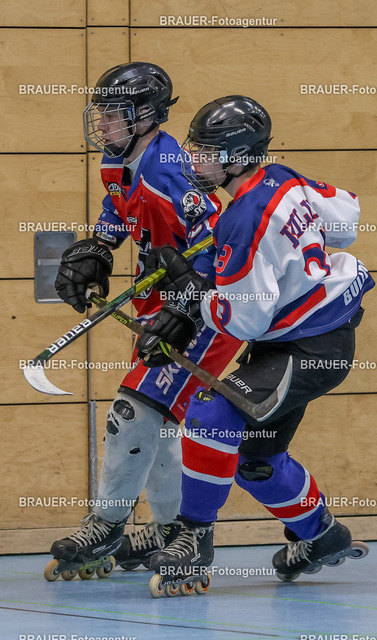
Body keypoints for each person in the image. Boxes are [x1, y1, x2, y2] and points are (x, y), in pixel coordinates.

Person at [136, 95, 375, 587]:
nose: (193, 158)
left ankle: (193, 537)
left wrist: (193, 295)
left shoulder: (244, 219)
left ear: (237, 157)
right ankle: (321, 535)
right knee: (256, 462)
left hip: (309, 346)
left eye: (205, 151)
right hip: (312, 335)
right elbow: (346, 218)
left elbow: (243, 320)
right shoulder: (280, 177)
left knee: (211, 414)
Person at [44, 64, 241, 581]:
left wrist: (187, 300)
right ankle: (171, 527)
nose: (103, 123)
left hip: (201, 310)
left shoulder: (170, 169)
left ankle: (106, 523)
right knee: (160, 422)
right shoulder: (118, 159)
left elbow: (216, 237)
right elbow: (116, 209)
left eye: (115, 114)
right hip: (160, 306)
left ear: (147, 116)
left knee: (131, 412)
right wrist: (98, 248)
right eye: (102, 113)